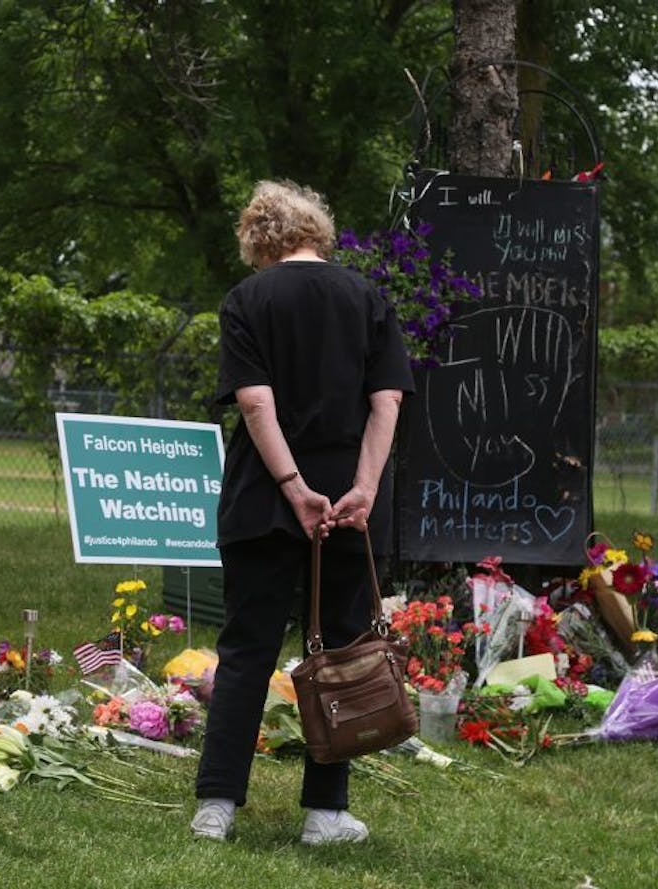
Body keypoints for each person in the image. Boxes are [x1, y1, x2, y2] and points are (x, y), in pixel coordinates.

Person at [191, 180, 414, 843]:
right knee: (343, 652)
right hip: (349, 500)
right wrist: (365, 490)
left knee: (245, 651)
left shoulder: (246, 300)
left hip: (264, 499)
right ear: (316, 228)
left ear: (259, 239)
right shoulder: (367, 297)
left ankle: (217, 807)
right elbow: (388, 403)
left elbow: (256, 403)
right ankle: (325, 812)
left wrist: (291, 486)